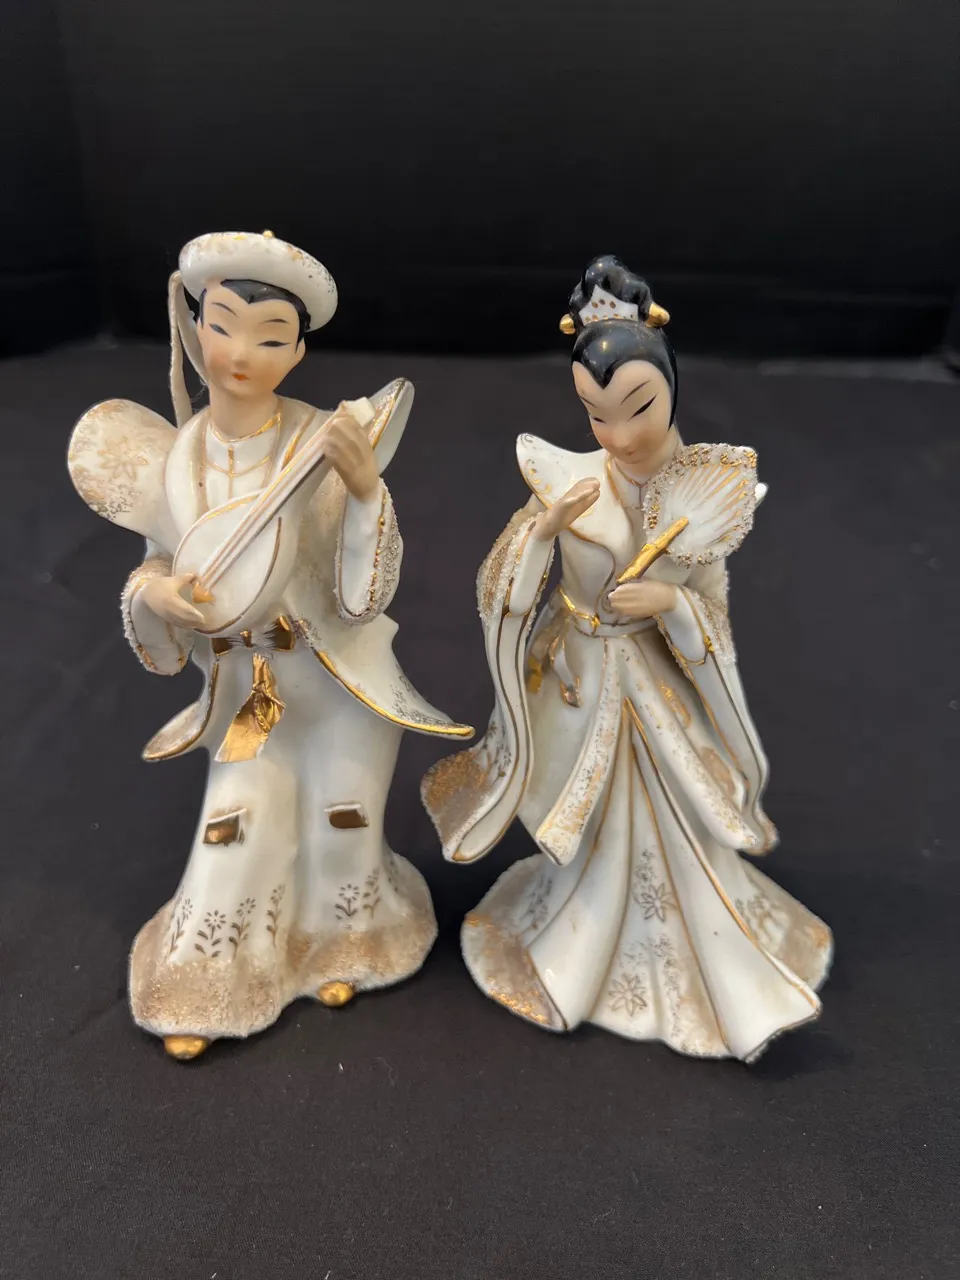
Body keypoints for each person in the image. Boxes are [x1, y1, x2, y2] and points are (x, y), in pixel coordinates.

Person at [68, 230, 471, 1059]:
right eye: (222, 325)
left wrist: (365, 493)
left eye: (270, 337)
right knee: (236, 822)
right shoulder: (177, 461)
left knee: (342, 813)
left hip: (336, 681)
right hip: (248, 688)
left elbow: (363, 598)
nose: (241, 352)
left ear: (297, 354)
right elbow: (154, 567)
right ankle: (208, 980)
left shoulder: (322, 442)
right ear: (195, 328)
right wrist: (156, 596)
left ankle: (344, 946)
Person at [422, 255, 832, 1063]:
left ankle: (704, 951)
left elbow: (714, 618)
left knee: (678, 813)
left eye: (638, 407)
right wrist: (541, 535)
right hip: (580, 676)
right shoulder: (568, 478)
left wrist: (673, 606)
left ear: (672, 384)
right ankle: (579, 926)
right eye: (595, 415)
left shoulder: (708, 493)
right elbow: (500, 587)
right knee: (587, 821)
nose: (618, 434)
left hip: (658, 683)